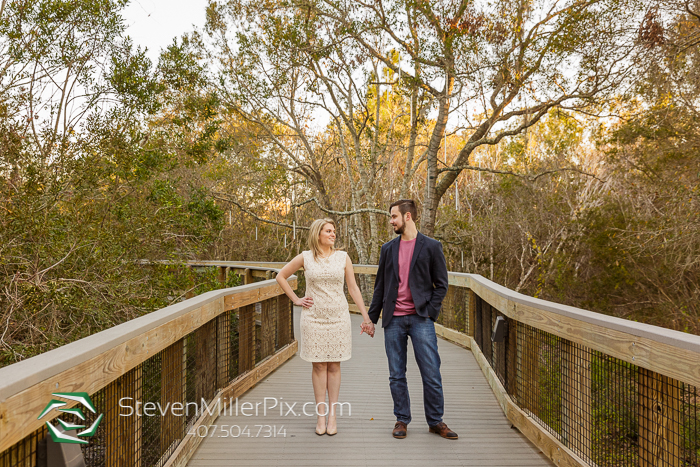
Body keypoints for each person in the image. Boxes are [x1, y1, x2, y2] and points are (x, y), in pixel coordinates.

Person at [364, 199, 458, 440]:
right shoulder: (388, 249)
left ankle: (436, 421)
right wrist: (371, 318)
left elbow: (442, 285)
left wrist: (429, 311)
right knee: (396, 374)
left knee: (431, 372)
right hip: (393, 320)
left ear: (407, 217)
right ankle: (401, 420)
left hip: (420, 319)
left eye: (394, 216)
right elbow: (380, 287)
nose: (391, 221)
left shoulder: (431, 247)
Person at [276, 218, 374, 436]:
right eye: (328, 231)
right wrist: (296, 299)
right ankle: (320, 416)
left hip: (338, 318)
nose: (333, 234)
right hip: (313, 319)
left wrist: (366, 317)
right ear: (317, 234)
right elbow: (281, 276)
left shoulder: (343, 257)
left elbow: (353, 288)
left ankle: (332, 416)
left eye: (334, 231)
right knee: (319, 366)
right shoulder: (306, 257)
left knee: (334, 365)